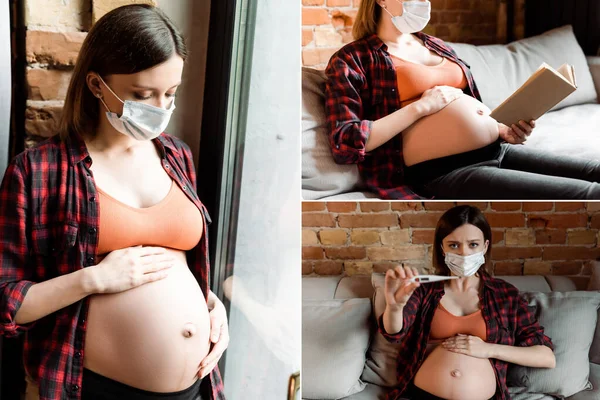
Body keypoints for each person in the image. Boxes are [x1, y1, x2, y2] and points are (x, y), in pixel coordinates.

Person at [0, 5, 228, 400]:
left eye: (170, 93)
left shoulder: (177, 156)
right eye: (143, 94)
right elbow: (5, 299)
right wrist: (93, 280)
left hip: (196, 386)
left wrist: (211, 306)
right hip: (91, 387)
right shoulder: (37, 172)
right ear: (95, 84)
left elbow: (179, 262)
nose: (160, 109)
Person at [325, 0, 600, 199]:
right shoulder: (353, 59)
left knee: (594, 171)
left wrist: (504, 130)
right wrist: (422, 107)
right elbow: (345, 142)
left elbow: (468, 105)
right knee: (588, 194)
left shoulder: (436, 45)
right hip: (445, 171)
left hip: (497, 149)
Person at [379, 205, 555, 400]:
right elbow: (394, 333)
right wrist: (394, 307)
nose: (464, 253)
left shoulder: (505, 295)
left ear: (485, 246)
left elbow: (546, 357)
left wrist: (488, 349)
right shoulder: (423, 290)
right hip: (424, 394)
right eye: (454, 245)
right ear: (442, 248)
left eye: (473, 245)